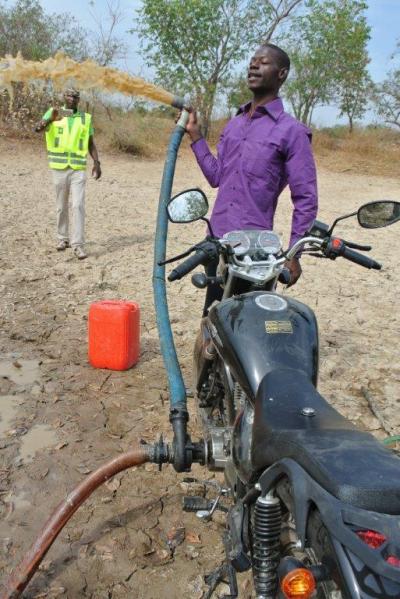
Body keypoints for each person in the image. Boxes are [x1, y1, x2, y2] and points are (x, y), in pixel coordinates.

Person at [184, 43, 318, 313]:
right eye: (252, 61)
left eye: (263, 62)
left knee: (249, 324)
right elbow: (215, 176)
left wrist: (294, 254)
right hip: (218, 242)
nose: (253, 65)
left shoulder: (292, 132)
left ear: (281, 74)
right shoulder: (234, 125)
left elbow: (306, 198)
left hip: (254, 253)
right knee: (213, 318)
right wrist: (196, 137)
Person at [35, 88, 102, 260]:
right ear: (63, 97)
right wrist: (49, 119)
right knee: (61, 205)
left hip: (78, 168)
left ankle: (78, 244)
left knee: (78, 205)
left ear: (79, 100)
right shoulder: (54, 113)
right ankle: (62, 238)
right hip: (59, 167)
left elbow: (90, 142)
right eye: (68, 95)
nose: (71, 98)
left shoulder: (85, 118)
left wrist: (97, 162)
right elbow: (38, 129)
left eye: (75, 96)